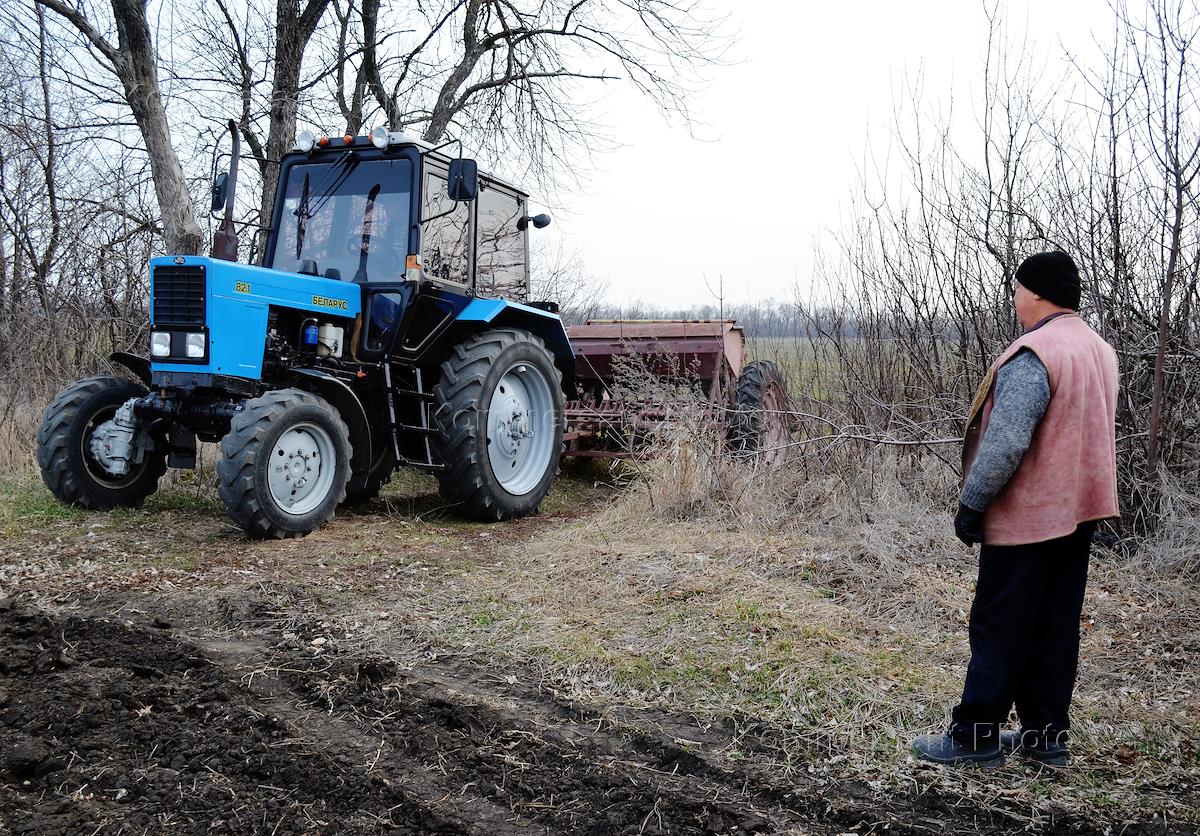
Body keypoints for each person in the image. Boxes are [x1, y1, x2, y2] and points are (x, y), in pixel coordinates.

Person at [911, 251, 1120, 768]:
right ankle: (1045, 739)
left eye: (1018, 289)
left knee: (999, 626)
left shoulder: (1035, 352)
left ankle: (975, 735)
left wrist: (971, 503)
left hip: (1029, 519)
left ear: (1038, 294)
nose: (1014, 299)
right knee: (1054, 626)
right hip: (1079, 515)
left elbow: (1004, 445)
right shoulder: (1099, 350)